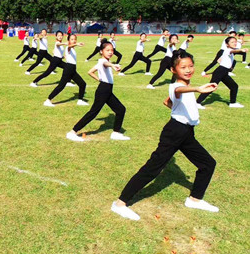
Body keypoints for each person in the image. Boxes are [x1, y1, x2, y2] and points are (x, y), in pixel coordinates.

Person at [111, 50, 219, 221]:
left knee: (208, 164)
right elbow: (179, 91)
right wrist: (198, 89)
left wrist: (179, 111)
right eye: (183, 67)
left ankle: (195, 199)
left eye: (191, 66)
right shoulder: (176, 86)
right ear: (173, 70)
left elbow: (167, 102)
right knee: (153, 168)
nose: (188, 69)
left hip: (186, 133)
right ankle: (119, 203)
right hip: (174, 132)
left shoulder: (184, 87)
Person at [66, 39, 129, 142]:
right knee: (93, 112)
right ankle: (72, 132)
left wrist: (99, 79)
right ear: (101, 51)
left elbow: (90, 72)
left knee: (121, 109)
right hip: (103, 90)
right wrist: (113, 65)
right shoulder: (102, 61)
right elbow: (105, 64)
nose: (110, 52)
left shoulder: (103, 62)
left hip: (107, 90)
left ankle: (116, 133)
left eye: (112, 50)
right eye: (107, 50)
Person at [196, 37, 248, 108]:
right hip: (220, 71)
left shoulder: (230, 50)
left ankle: (232, 103)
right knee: (212, 87)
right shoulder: (228, 50)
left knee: (234, 86)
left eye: (235, 42)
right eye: (232, 42)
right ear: (227, 44)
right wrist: (241, 50)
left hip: (224, 72)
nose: (235, 43)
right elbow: (233, 51)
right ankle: (197, 103)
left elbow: (222, 58)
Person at [44, 34, 87, 107]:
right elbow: (69, 46)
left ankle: (80, 100)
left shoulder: (72, 49)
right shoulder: (68, 48)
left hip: (72, 69)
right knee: (61, 86)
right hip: (68, 68)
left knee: (82, 84)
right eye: (72, 39)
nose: (74, 41)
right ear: (68, 41)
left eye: (75, 39)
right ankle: (48, 100)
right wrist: (76, 44)